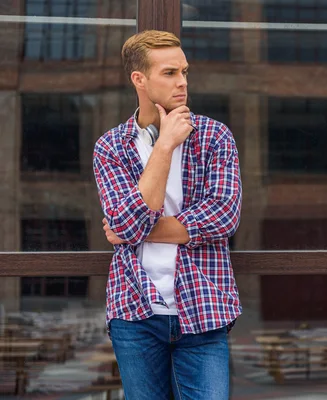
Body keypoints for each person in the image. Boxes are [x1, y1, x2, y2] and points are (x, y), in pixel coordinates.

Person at [92, 30, 242, 400]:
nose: (183, 82)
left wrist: (133, 230)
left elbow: (223, 216)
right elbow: (127, 223)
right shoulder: (111, 147)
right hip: (135, 312)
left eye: (185, 72)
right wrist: (164, 145)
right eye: (170, 73)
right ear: (139, 80)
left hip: (203, 308)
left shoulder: (214, 137)